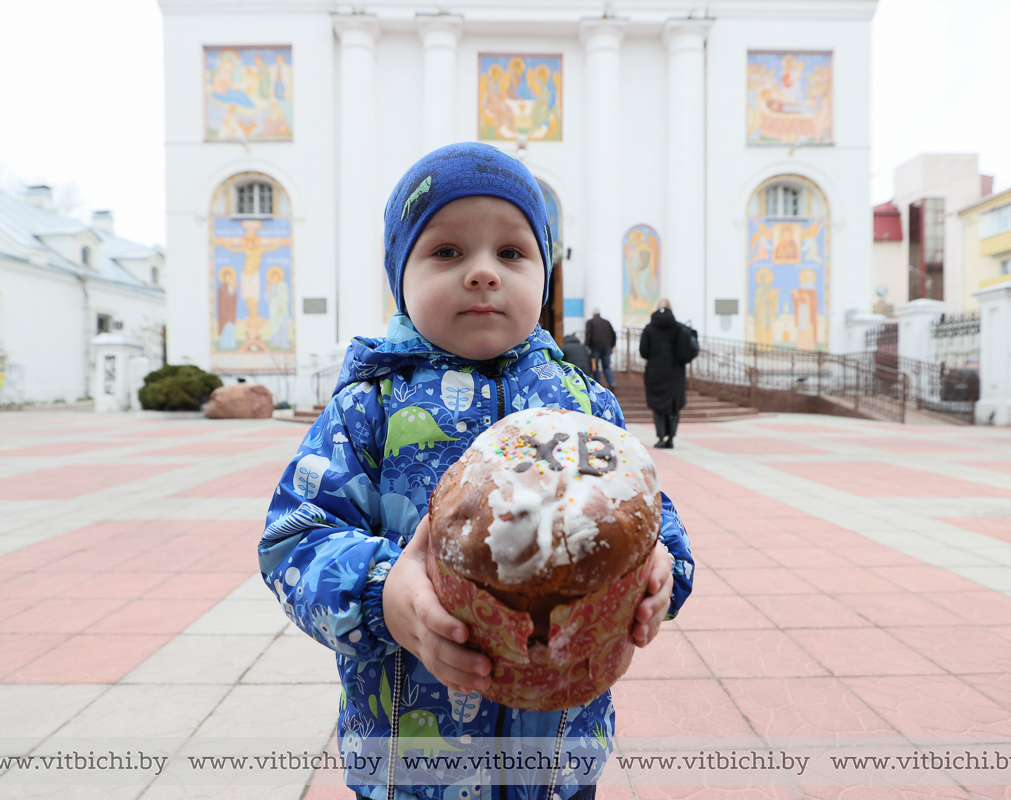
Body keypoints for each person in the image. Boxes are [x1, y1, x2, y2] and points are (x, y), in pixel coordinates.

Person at [257, 143, 694, 800]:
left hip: (559, 763)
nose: (483, 273)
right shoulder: (368, 407)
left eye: (512, 253)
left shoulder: (586, 405)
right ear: (398, 277)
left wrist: (662, 572)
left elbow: (648, 513)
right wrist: (384, 596)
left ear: (543, 275)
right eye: (448, 252)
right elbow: (295, 538)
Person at [640, 299, 687, 449]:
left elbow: (644, 351)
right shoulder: (678, 328)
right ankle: (671, 438)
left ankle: (660, 437)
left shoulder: (649, 328)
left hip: (655, 372)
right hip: (675, 373)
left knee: (658, 405)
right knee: (673, 406)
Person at [583, 308, 616, 390]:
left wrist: (585, 346)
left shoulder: (590, 322)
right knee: (606, 365)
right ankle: (611, 383)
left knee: (595, 365)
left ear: (593, 315)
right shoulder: (607, 322)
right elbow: (613, 334)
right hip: (607, 346)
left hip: (595, 347)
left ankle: (597, 384)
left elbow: (588, 335)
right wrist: (611, 346)